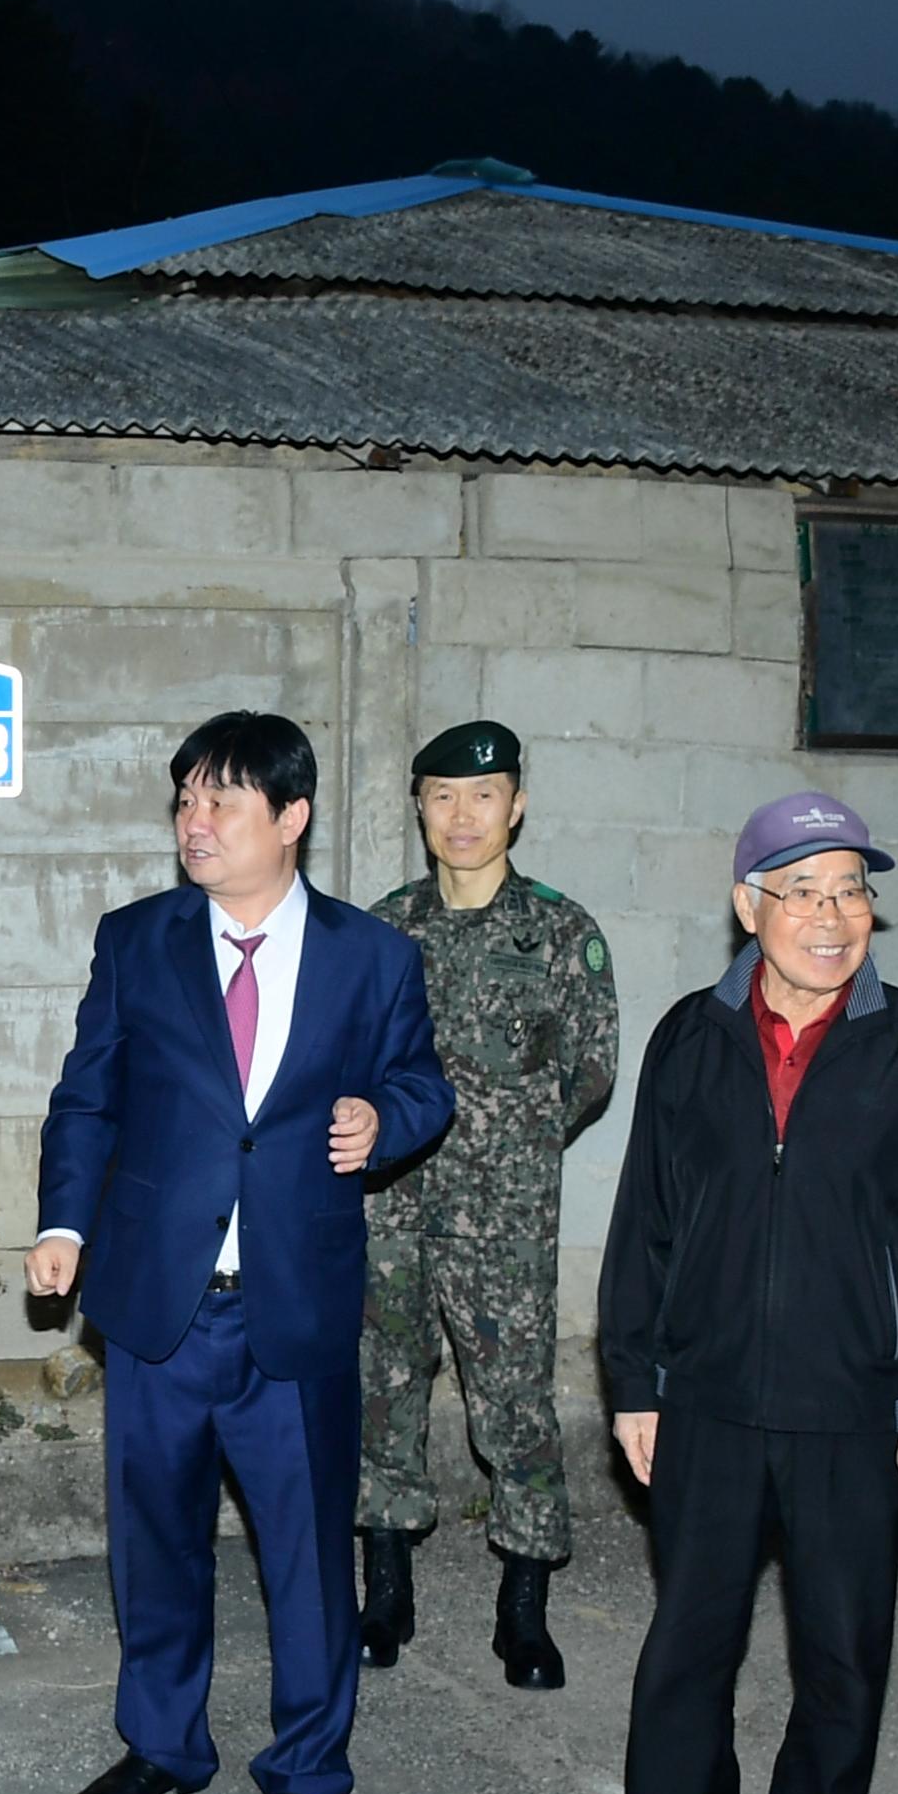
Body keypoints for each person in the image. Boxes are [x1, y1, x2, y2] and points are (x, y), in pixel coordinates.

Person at [30, 710, 451, 1794]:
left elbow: (423, 1083)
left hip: (295, 1304)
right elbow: (88, 1098)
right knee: (154, 1541)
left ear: (292, 817)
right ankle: (163, 1744)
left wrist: (388, 1119)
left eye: (221, 802)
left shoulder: (374, 957)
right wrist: (65, 1219)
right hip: (160, 1299)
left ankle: (307, 1772)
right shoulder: (139, 941)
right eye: (184, 802)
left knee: (307, 1556)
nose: (194, 823)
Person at [598, 791, 898, 1794]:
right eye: (804, 890)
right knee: (690, 1634)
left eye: (852, 890)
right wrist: (634, 1378)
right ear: (747, 905)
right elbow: (645, 1227)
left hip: (851, 1406)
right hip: (707, 1396)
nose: (832, 916)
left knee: (843, 1649)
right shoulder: (689, 1036)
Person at [355, 718, 618, 1685]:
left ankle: (525, 1603)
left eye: (483, 795)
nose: (462, 816)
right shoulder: (381, 930)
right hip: (389, 1204)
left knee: (512, 1403)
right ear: (420, 807)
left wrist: (506, 1135)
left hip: (504, 1213)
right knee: (383, 1388)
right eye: (442, 796)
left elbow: (590, 1069)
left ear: (517, 804)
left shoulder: (558, 930)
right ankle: (385, 1591)